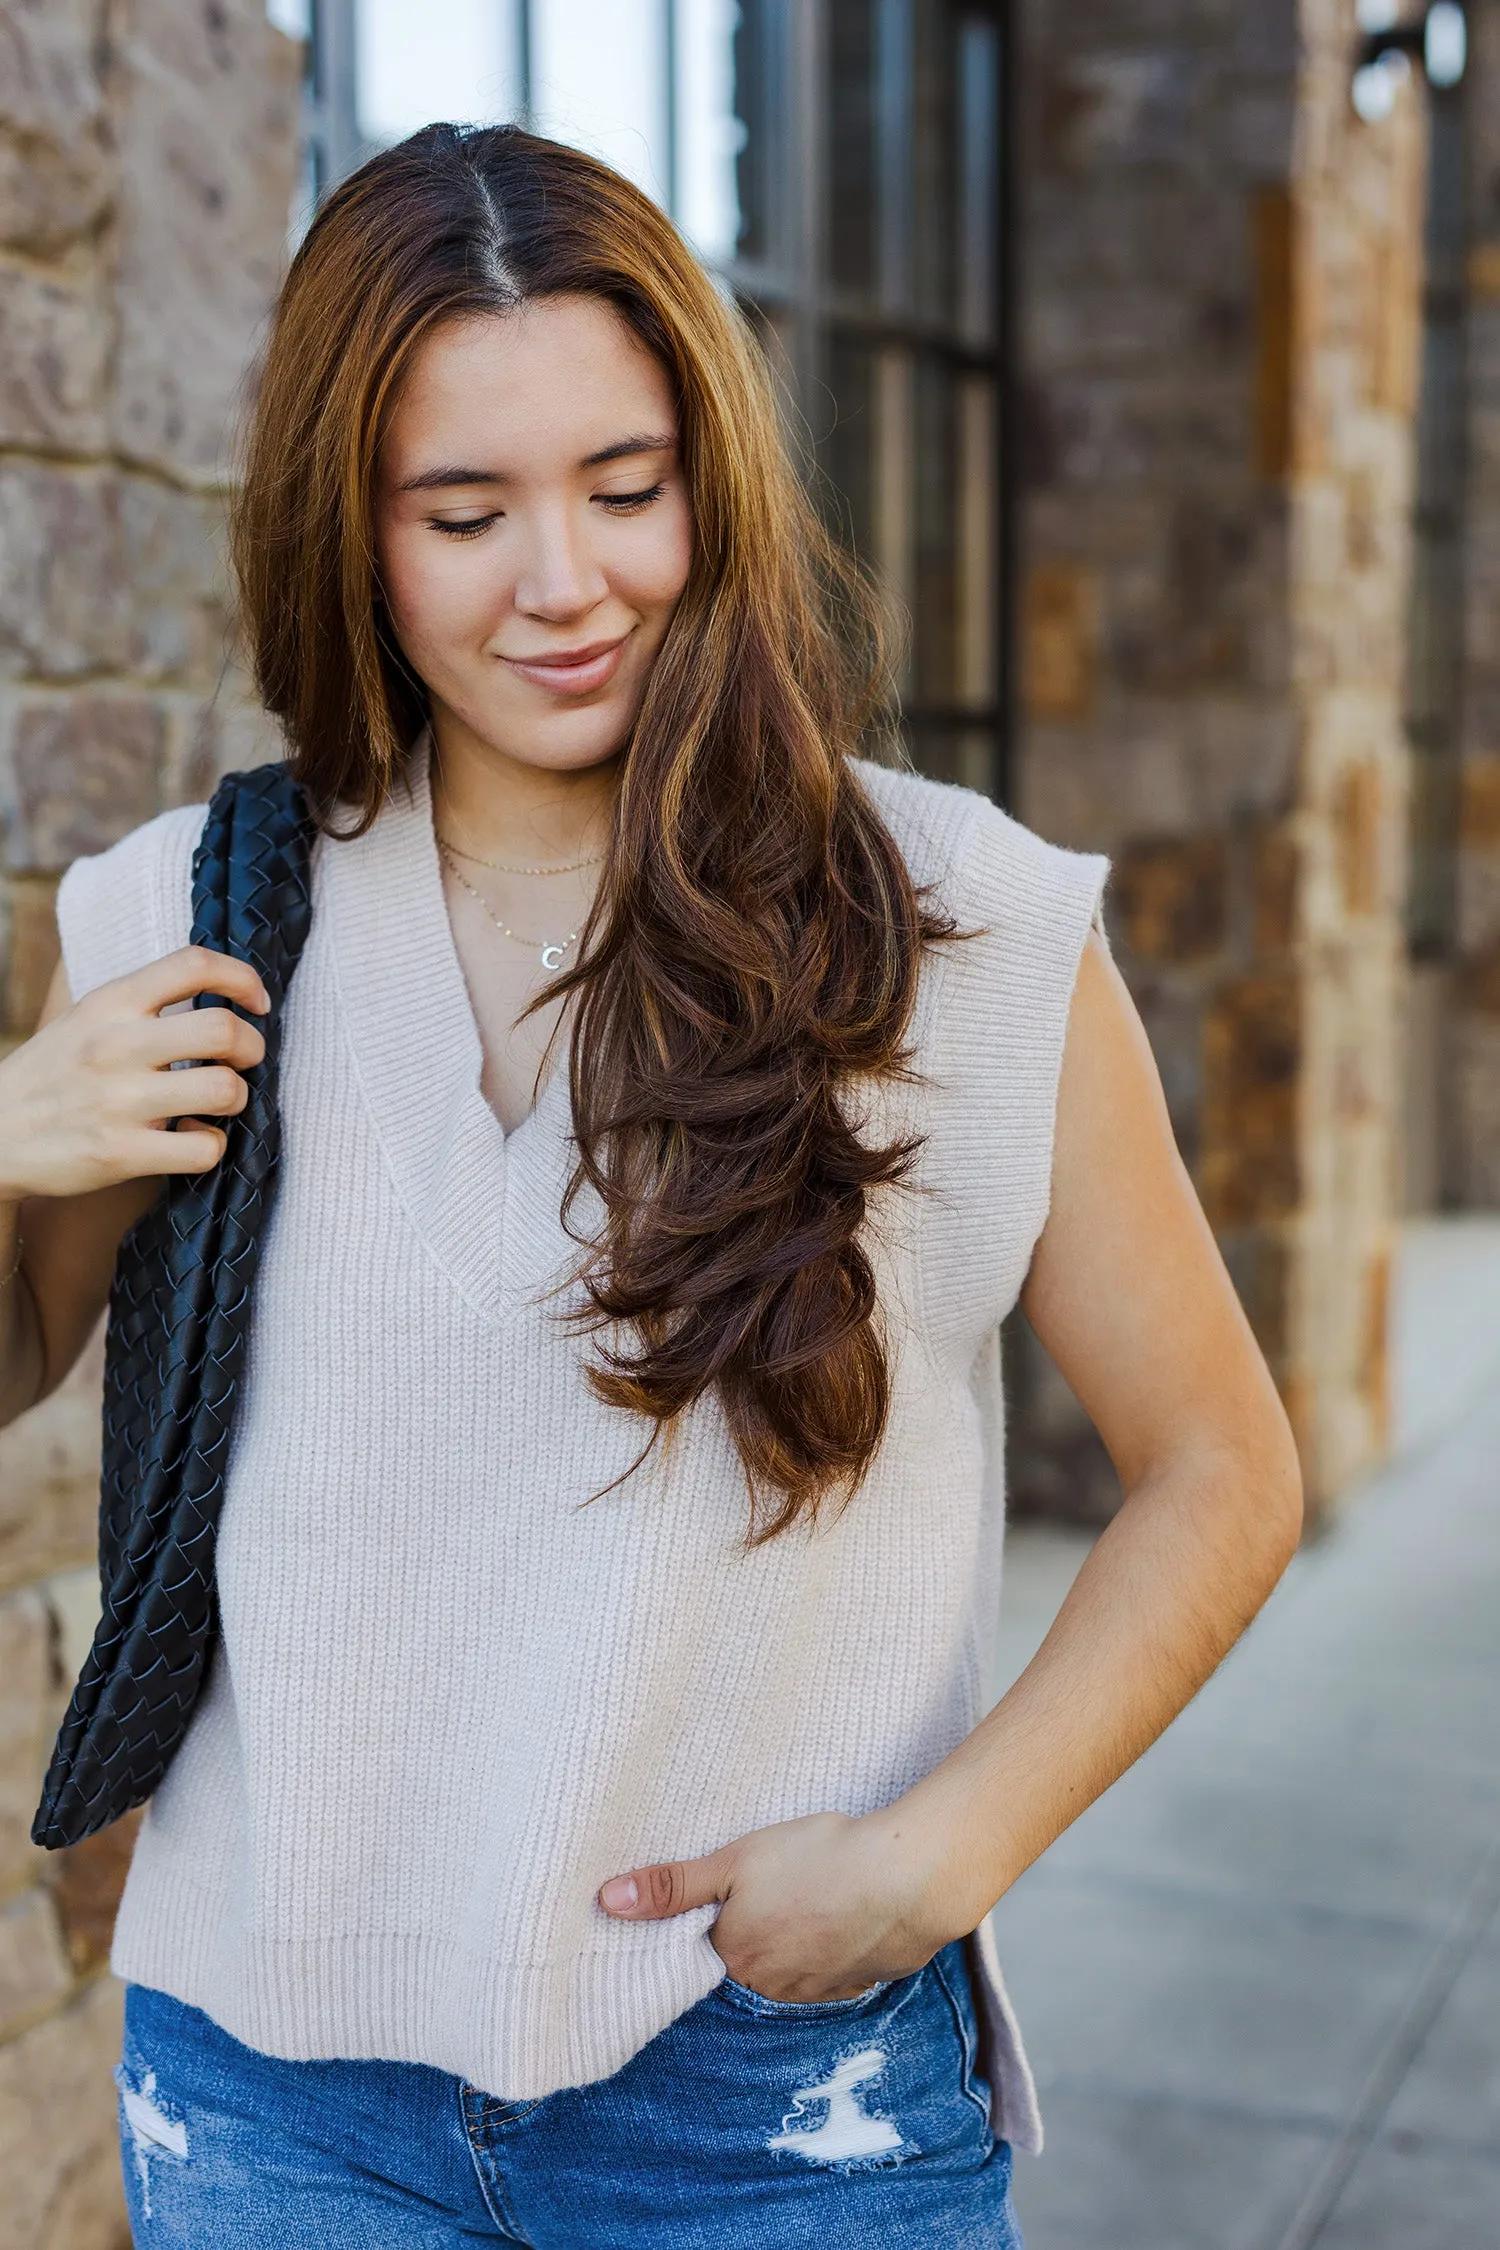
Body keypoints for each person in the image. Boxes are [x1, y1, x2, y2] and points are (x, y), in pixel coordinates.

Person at [0, 126, 1302, 2247]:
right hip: (273, 2107)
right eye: (463, 513)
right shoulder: (183, 916)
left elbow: (1220, 1471)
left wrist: (947, 1855)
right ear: (351, 526)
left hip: (773, 2116)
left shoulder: (955, 925)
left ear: (716, 475)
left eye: (626, 488)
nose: (565, 583)